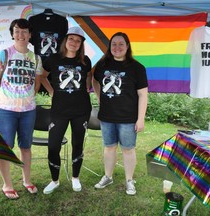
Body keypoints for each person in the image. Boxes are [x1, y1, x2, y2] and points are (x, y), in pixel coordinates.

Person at [0, 18, 43, 199]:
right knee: (6, 147)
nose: (21, 35)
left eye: (24, 31)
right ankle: (7, 184)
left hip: (28, 110)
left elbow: (36, 84)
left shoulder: (35, 58)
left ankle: (26, 180)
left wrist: (27, 98)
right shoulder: (4, 54)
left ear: (30, 35)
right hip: (6, 110)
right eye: (17, 31)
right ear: (12, 34)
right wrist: (4, 100)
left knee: (26, 147)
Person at [92, 32, 148, 195]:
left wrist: (141, 118)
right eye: (114, 44)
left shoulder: (137, 68)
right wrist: (99, 97)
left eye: (121, 44)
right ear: (110, 47)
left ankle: (129, 180)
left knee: (128, 149)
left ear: (127, 46)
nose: (117, 47)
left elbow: (143, 94)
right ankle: (108, 176)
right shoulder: (103, 65)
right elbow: (95, 81)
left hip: (128, 118)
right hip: (107, 116)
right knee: (109, 147)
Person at [38, 26, 92, 194]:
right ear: (65, 40)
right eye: (71, 39)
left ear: (81, 43)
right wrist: (52, 91)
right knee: (53, 146)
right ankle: (54, 180)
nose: (74, 42)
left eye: (78, 40)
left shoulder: (85, 60)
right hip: (59, 110)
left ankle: (75, 177)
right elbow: (42, 76)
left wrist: (87, 88)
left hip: (81, 110)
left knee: (77, 144)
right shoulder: (53, 59)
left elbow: (89, 76)